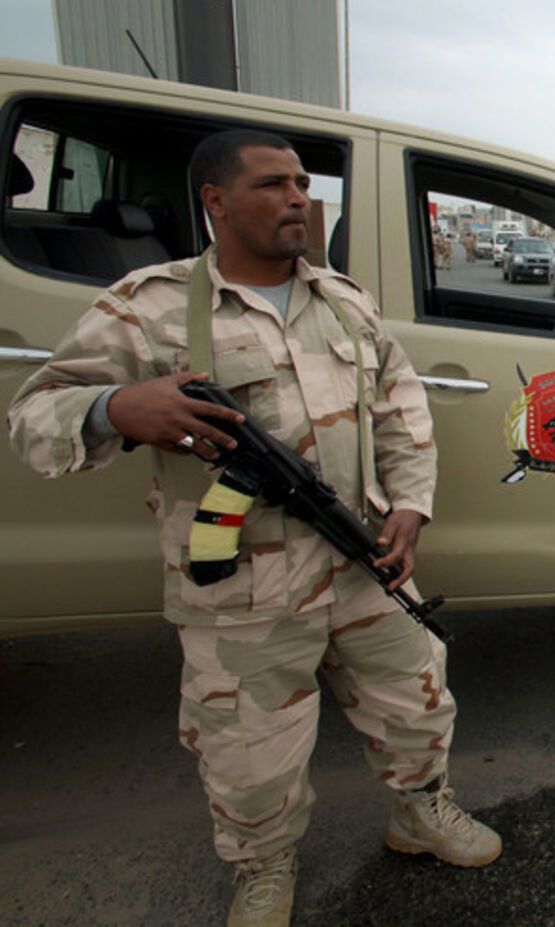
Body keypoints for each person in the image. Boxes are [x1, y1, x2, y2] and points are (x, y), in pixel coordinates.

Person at [6, 129, 501, 926]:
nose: (297, 197)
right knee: (248, 747)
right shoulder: (150, 305)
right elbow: (32, 415)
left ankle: (420, 810)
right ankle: (265, 863)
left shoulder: (343, 300)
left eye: (301, 182)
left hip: (360, 556)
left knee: (416, 699)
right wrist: (118, 408)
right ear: (217, 201)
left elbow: (398, 402)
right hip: (241, 582)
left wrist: (410, 506)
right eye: (272, 184)